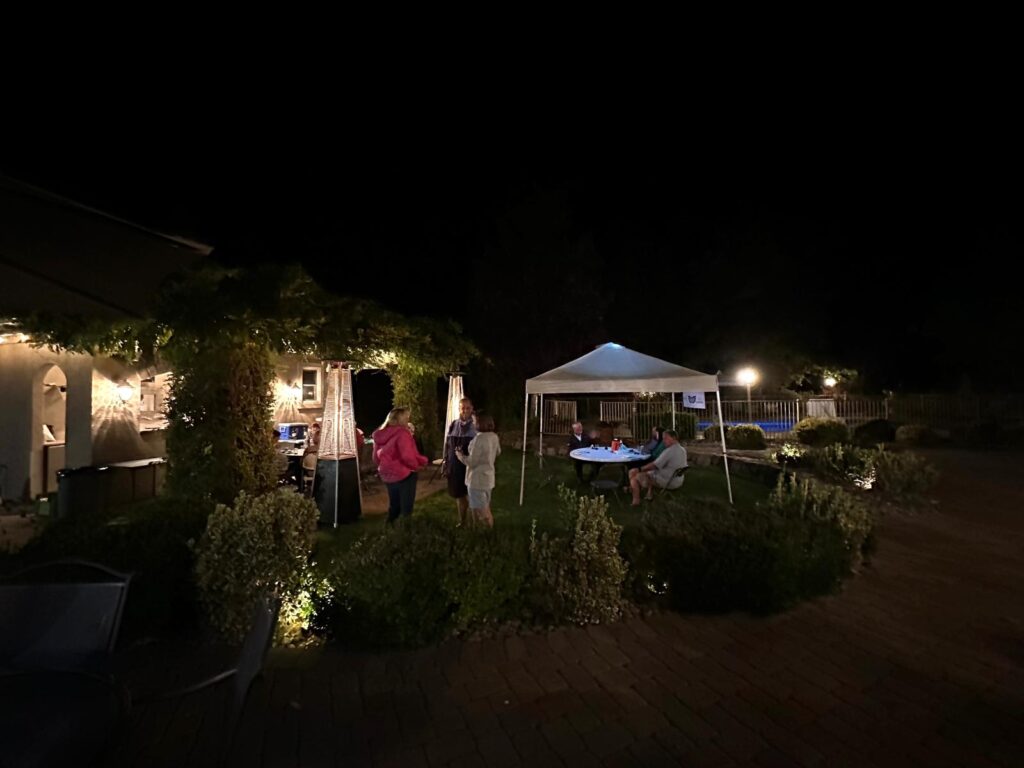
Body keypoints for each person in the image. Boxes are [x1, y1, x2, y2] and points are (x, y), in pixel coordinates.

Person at [372, 407, 428, 523]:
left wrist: (385, 467)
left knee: (394, 505)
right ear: (400, 419)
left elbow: (375, 458)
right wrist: (417, 466)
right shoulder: (402, 433)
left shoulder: (380, 434)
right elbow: (407, 456)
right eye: (406, 417)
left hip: (387, 474)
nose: (408, 420)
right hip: (404, 474)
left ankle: (389, 527)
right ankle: (405, 529)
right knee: (406, 508)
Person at [455, 412, 500, 527]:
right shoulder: (494, 436)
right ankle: (478, 530)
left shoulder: (478, 439)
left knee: (482, 511)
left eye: (474, 421)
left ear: (481, 423)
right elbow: (498, 452)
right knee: (482, 506)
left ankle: (487, 532)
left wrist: (460, 456)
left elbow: (472, 462)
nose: (473, 423)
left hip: (476, 480)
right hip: (488, 478)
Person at [628, 428, 687, 505]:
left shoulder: (669, 451)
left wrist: (639, 469)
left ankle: (636, 501)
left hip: (667, 481)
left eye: (666, 438)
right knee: (647, 472)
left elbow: (655, 465)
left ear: (674, 438)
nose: (663, 441)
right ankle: (638, 491)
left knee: (634, 476)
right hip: (677, 480)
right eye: (663, 438)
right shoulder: (682, 449)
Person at [443, 397, 477, 525]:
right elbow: (448, 446)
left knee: (472, 496)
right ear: (459, 409)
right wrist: (446, 464)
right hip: (455, 467)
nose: (465, 410)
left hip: (470, 467)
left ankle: (475, 525)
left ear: (472, 408)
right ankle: (462, 522)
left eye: (468, 408)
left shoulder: (476, 426)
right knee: (459, 495)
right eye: (463, 408)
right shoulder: (453, 424)